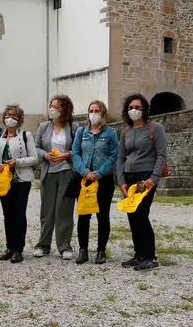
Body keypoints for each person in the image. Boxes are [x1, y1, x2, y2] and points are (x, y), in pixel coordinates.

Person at [117, 93, 168, 272]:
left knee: (141, 214)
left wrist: (153, 179)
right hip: (129, 177)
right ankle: (139, 254)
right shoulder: (126, 131)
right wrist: (121, 180)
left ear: (145, 109)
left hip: (146, 176)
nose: (134, 110)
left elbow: (161, 155)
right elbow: (121, 157)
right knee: (132, 215)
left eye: (138, 107)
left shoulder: (155, 128)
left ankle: (149, 256)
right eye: (131, 107)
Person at [71, 100, 119, 265]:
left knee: (102, 216)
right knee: (83, 215)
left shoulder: (110, 133)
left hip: (103, 180)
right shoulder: (81, 132)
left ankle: (101, 251)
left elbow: (114, 156)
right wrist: (85, 172)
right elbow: (75, 153)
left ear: (103, 113)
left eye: (97, 110)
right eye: (91, 110)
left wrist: (98, 173)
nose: (93, 113)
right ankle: (83, 250)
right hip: (84, 180)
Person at [0, 104, 38, 263]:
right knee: (7, 214)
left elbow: (34, 158)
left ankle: (18, 249)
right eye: (8, 115)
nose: (10, 118)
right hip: (4, 181)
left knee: (19, 214)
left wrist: (17, 162)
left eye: (14, 116)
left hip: (21, 180)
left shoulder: (26, 136)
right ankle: (9, 247)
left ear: (19, 119)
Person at [33, 95, 79, 260]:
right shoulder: (44, 127)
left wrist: (66, 155)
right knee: (47, 211)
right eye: (51, 106)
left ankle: (64, 246)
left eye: (56, 107)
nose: (52, 109)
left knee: (64, 210)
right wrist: (45, 155)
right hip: (48, 172)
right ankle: (43, 246)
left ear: (64, 109)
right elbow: (36, 147)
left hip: (67, 171)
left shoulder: (74, 127)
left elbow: (79, 149)